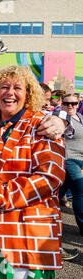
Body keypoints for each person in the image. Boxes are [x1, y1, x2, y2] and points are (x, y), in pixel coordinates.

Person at [0, 65, 66, 279]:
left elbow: (50, 177)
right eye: (4, 87)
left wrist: (0, 193)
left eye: (18, 87)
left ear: (28, 94)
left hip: (26, 237)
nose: (9, 92)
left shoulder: (42, 125)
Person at [59, 93, 83, 243]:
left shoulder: (80, 116)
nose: (70, 106)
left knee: (57, 193)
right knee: (80, 192)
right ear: (62, 104)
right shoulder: (61, 117)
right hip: (68, 159)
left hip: (81, 160)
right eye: (67, 103)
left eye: (73, 103)